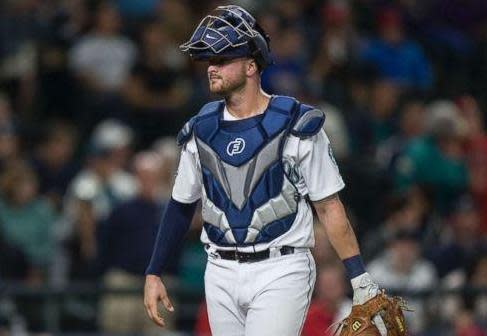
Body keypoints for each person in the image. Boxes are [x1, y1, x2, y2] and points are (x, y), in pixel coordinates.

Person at [144, 5, 388, 336]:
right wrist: (154, 271)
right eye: (209, 61)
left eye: (222, 59)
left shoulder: (297, 124)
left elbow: (329, 206)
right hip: (219, 268)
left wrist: (358, 276)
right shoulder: (200, 129)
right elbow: (180, 205)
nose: (211, 68)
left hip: (281, 267)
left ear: (250, 65)